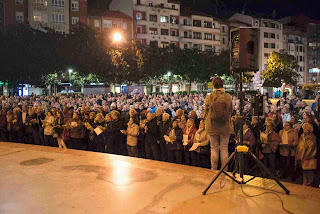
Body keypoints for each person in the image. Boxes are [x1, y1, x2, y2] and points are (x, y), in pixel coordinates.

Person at [205, 76, 232, 170]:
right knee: (224, 148)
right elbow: (230, 111)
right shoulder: (227, 97)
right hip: (225, 126)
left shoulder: (209, 97)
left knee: (214, 148)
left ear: (213, 85)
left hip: (212, 126)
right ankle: (225, 170)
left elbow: (206, 112)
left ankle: (214, 170)